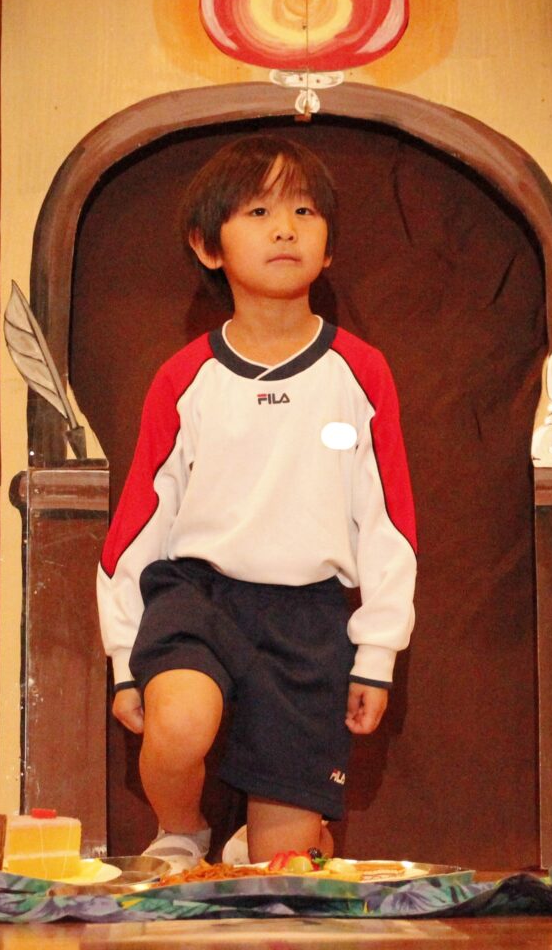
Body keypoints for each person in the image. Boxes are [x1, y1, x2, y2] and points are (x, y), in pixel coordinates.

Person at [96, 134, 418, 869]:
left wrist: (376, 652)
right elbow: (140, 522)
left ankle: (276, 836)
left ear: (329, 247)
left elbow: (389, 521)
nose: (284, 230)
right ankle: (182, 830)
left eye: (304, 212)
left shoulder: (361, 372)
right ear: (207, 246)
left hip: (308, 618)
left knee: (284, 867)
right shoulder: (183, 377)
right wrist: (124, 657)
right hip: (197, 598)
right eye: (259, 211)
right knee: (178, 726)